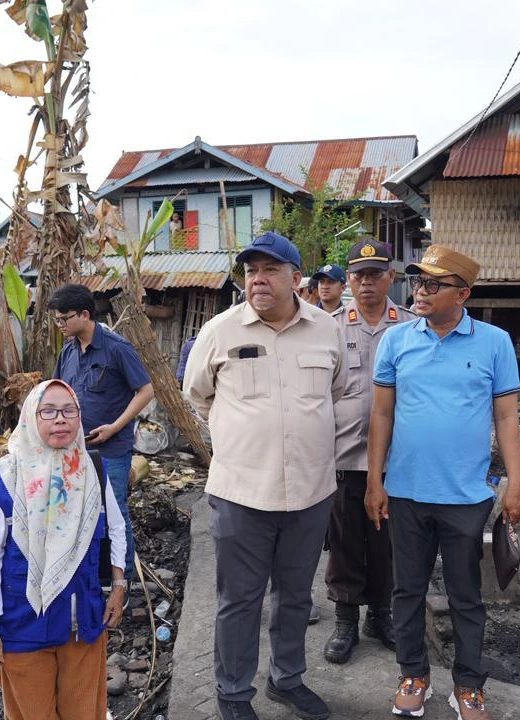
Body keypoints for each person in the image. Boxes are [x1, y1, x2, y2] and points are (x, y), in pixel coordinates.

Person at [182, 231, 344, 720]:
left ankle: (286, 680)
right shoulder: (220, 331)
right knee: (239, 601)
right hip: (241, 494)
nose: (258, 279)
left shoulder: (326, 329)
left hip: (311, 492)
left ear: (296, 279)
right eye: (251, 270)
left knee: (295, 596)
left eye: (270, 270)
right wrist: (244, 433)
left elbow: (333, 390)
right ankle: (233, 694)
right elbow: (198, 395)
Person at [364, 245, 520, 720]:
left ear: (462, 294)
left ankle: (468, 685)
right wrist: (375, 481)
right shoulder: (396, 341)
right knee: (407, 591)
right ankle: (413, 675)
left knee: (466, 596)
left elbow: (506, 417)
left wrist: (515, 482)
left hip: (466, 497)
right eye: (418, 282)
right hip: (406, 493)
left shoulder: (494, 342)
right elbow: (381, 414)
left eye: (433, 284)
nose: (420, 290)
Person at [0, 379, 127, 720]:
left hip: (83, 622)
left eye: (69, 410)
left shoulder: (91, 471)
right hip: (23, 625)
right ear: (31, 417)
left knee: (86, 713)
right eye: (49, 411)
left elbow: (116, 528)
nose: (60, 419)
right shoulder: (7, 478)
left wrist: (118, 585)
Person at [323, 237, 415, 664]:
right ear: (348, 279)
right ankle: (345, 619)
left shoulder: (411, 327)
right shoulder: (329, 327)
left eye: (375, 274)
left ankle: (380, 615)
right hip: (343, 455)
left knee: (387, 543)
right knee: (344, 541)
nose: (366, 283)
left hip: (396, 459)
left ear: (390, 277)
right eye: (359, 275)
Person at [49, 283, 154, 577]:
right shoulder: (68, 352)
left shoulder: (117, 348)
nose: (60, 325)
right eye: (56, 320)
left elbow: (146, 391)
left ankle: (123, 580)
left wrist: (115, 427)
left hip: (112, 448)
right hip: (75, 448)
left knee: (114, 512)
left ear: (84, 314)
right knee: (78, 512)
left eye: (64, 318)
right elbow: (58, 393)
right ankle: (92, 576)